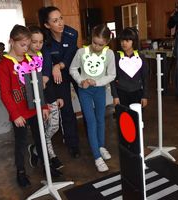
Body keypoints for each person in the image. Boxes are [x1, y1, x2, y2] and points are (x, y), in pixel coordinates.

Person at [0, 24, 49, 187]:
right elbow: (5, 93)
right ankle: (21, 172)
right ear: (11, 41)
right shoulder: (3, 65)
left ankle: (46, 167)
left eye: (28, 45)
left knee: (41, 138)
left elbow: (37, 86)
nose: (26, 49)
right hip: (19, 113)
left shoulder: (30, 59)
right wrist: (15, 114)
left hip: (34, 108)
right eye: (22, 45)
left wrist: (44, 106)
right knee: (21, 143)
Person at [69, 24, 116, 172]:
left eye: (100, 44)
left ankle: (101, 147)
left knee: (101, 119)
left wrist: (98, 82)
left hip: (100, 90)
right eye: (94, 43)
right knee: (91, 121)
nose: (96, 46)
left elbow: (112, 74)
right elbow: (72, 69)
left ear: (107, 43)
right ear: (91, 39)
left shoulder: (109, 54)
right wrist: (80, 81)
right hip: (85, 91)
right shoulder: (81, 52)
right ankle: (97, 157)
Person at [38, 6, 80, 158]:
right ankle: (72, 144)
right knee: (66, 108)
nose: (60, 23)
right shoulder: (45, 41)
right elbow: (47, 62)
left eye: (61, 18)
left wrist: (59, 65)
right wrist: (51, 70)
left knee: (87, 103)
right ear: (47, 25)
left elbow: (70, 56)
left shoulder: (72, 33)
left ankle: (93, 139)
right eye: (55, 21)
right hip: (58, 76)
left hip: (74, 69)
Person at [26, 25, 64, 173]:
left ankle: (36, 148)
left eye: (40, 42)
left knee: (54, 126)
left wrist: (59, 95)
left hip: (50, 95)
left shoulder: (45, 54)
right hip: (36, 100)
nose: (38, 45)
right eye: (34, 41)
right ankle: (51, 156)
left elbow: (52, 75)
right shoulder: (24, 58)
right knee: (41, 128)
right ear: (28, 41)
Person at [110, 27, 148, 108]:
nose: (124, 43)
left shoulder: (141, 57)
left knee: (137, 118)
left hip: (137, 92)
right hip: (121, 93)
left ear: (133, 41)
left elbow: (145, 77)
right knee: (123, 118)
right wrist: (115, 96)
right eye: (122, 40)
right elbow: (112, 78)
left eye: (127, 41)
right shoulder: (116, 57)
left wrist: (145, 96)